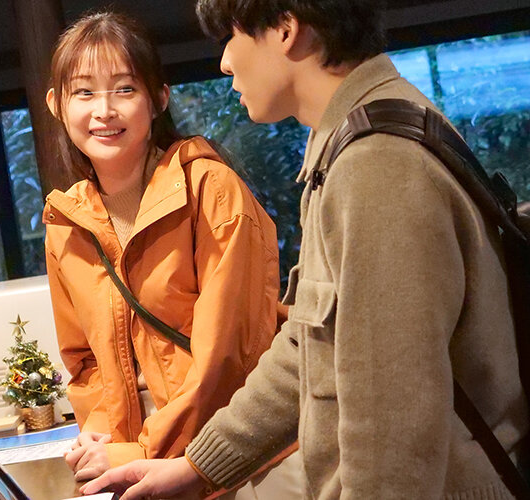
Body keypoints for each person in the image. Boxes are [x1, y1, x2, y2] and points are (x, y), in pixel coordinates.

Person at [82, 0, 530, 498]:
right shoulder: (352, 143)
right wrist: (196, 467)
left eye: (231, 37)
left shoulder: (376, 164)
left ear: (285, 29)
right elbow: (307, 346)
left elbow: (391, 427)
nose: (225, 62)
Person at [41, 11, 298, 492]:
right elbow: (86, 362)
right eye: (84, 92)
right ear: (57, 104)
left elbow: (228, 358)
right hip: (142, 465)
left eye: (124, 89)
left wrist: (139, 451)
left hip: (239, 459)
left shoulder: (210, 189)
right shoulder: (67, 223)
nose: (104, 110)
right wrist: (100, 435)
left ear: (159, 98)